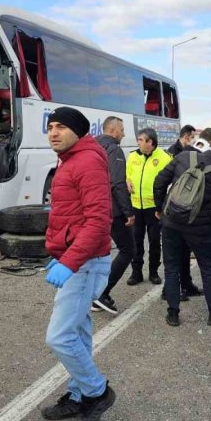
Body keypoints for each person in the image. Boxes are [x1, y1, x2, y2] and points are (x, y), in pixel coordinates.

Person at [40, 107, 116, 421]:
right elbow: (72, 216)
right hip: (75, 259)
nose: (53, 132)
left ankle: (97, 392)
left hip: (85, 263)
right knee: (79, 333)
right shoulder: (70, 159)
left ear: (77, 131)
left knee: (59, 337)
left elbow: (99, 222)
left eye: (60, 127)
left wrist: (69, 262)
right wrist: (60, 251)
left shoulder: (85, 161)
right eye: (50, 127)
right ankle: (76, 395)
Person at [154, 141, 211, 327]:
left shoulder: (183, 157)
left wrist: (159, 207)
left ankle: (173, 313)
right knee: (208, 267)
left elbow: (159, 180)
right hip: (197, 226)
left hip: (171, 220)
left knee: (171, 267)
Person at [92, 116, 135, 314]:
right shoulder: (115, 149)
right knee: (128, 249)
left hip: (93, 207)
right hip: (112, 210)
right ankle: (101, 293)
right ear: (113, 130)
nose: (124, 134)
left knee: (96, 252)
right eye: (122, 130)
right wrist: (128, 212)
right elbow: (117, 184)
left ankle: (88, 293)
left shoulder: (92, 146)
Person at [125, 128, 172, 285]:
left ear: (150, 142)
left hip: (154, 208)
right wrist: (126, 181)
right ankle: (136, 272)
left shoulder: (164, 157)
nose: (138, 142)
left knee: (154, 241)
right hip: (136, 206)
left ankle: (153, 272)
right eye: (138, 139)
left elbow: (171, 181)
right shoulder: (132, 156)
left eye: (141, 139)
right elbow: (127, 175)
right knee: (136, 241)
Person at [164, 124, 204, 301]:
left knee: (184, 252)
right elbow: (163, 180)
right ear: (187, 136)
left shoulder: (194, 152)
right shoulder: (171, 152)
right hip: (173, 207)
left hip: (187, 209)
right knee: (173, 257)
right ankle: (170, 290)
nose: (194, 139)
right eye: (192, 136)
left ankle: (186, 284)